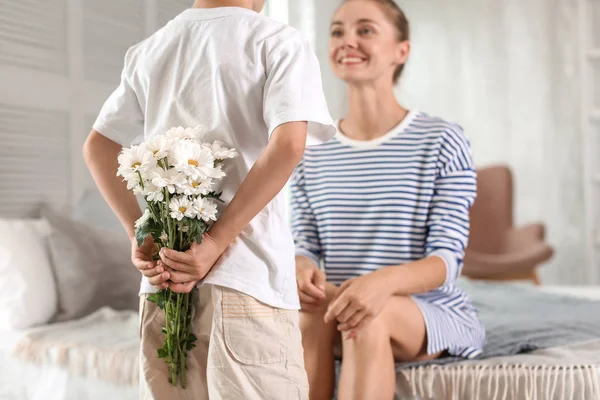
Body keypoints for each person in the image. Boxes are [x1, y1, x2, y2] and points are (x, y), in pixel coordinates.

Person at [83, 0, 336, 399]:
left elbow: (97, 146)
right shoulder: (277, 41)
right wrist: (216, 242)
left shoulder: (150, 49)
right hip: (246, 282)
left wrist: (141, 237)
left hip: (163, 285)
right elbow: (288, 145)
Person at [290, 0, 486, 399]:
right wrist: (301, 265)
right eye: (337, 31)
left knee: (368, 315)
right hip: (343, 301)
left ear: (402, 50)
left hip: (424, 311)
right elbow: (305, 245)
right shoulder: (310, 151)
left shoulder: (441, 140)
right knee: (310, 309)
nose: (347, 41)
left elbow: (446, 260)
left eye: (365, 30)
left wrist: (379, 284)